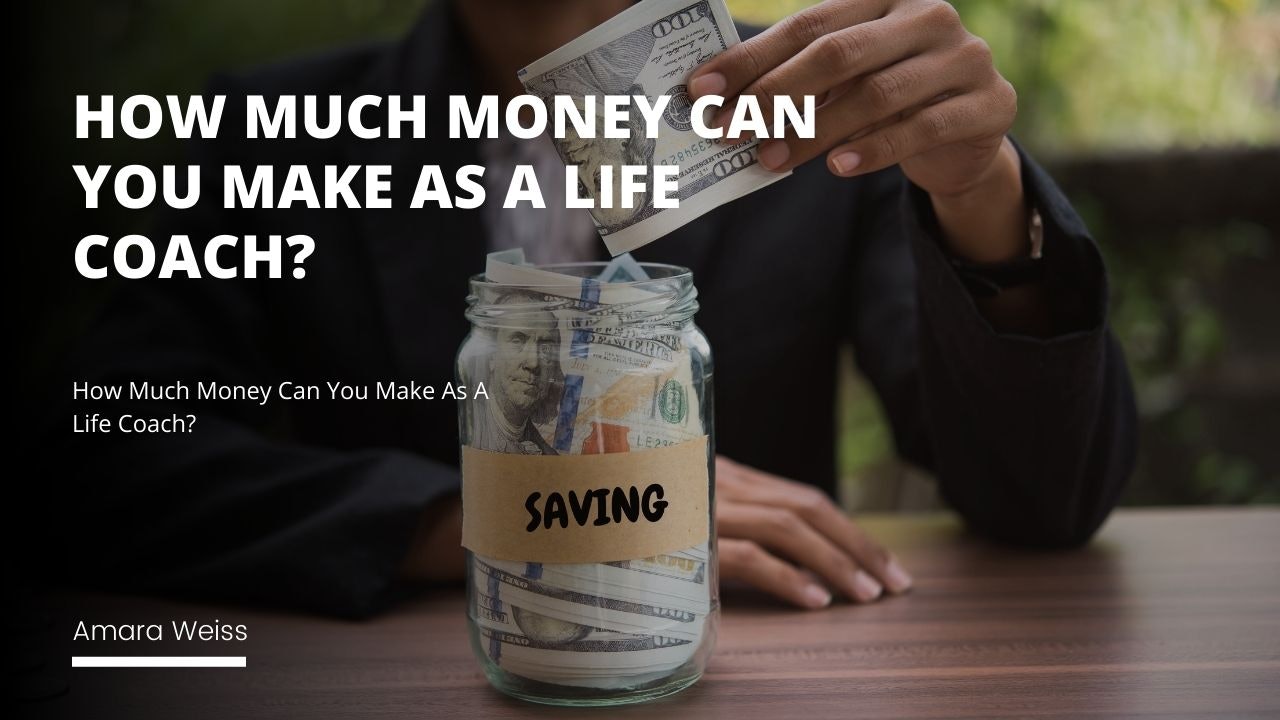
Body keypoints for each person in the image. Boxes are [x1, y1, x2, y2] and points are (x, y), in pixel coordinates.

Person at [52, 0, 1137, 617]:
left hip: (751, 674)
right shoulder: (271, 132)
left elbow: (1041, 504)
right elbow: (97, 454)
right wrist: (505, 516)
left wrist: (979, 191)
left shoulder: (829, 115)